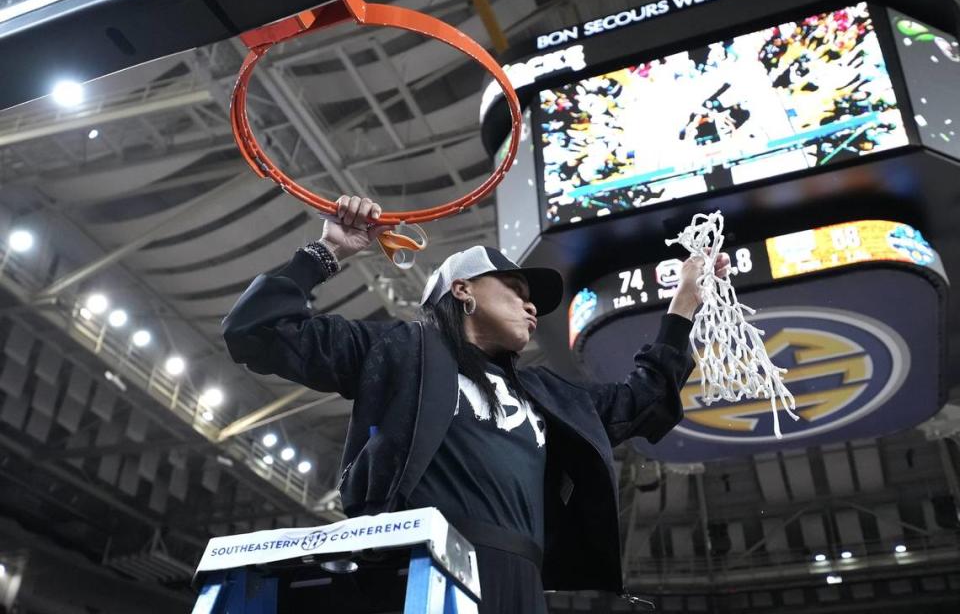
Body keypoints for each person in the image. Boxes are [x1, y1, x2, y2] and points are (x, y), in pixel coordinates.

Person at [222, 195, 729, 612]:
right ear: (462, 290)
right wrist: (327, 250)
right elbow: (257, 331)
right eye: (513, 287)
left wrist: (682, 305)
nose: (530, 304)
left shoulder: (547, 393)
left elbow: (644, 400)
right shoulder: (399, 351)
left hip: (524, 581)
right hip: (419, 568)